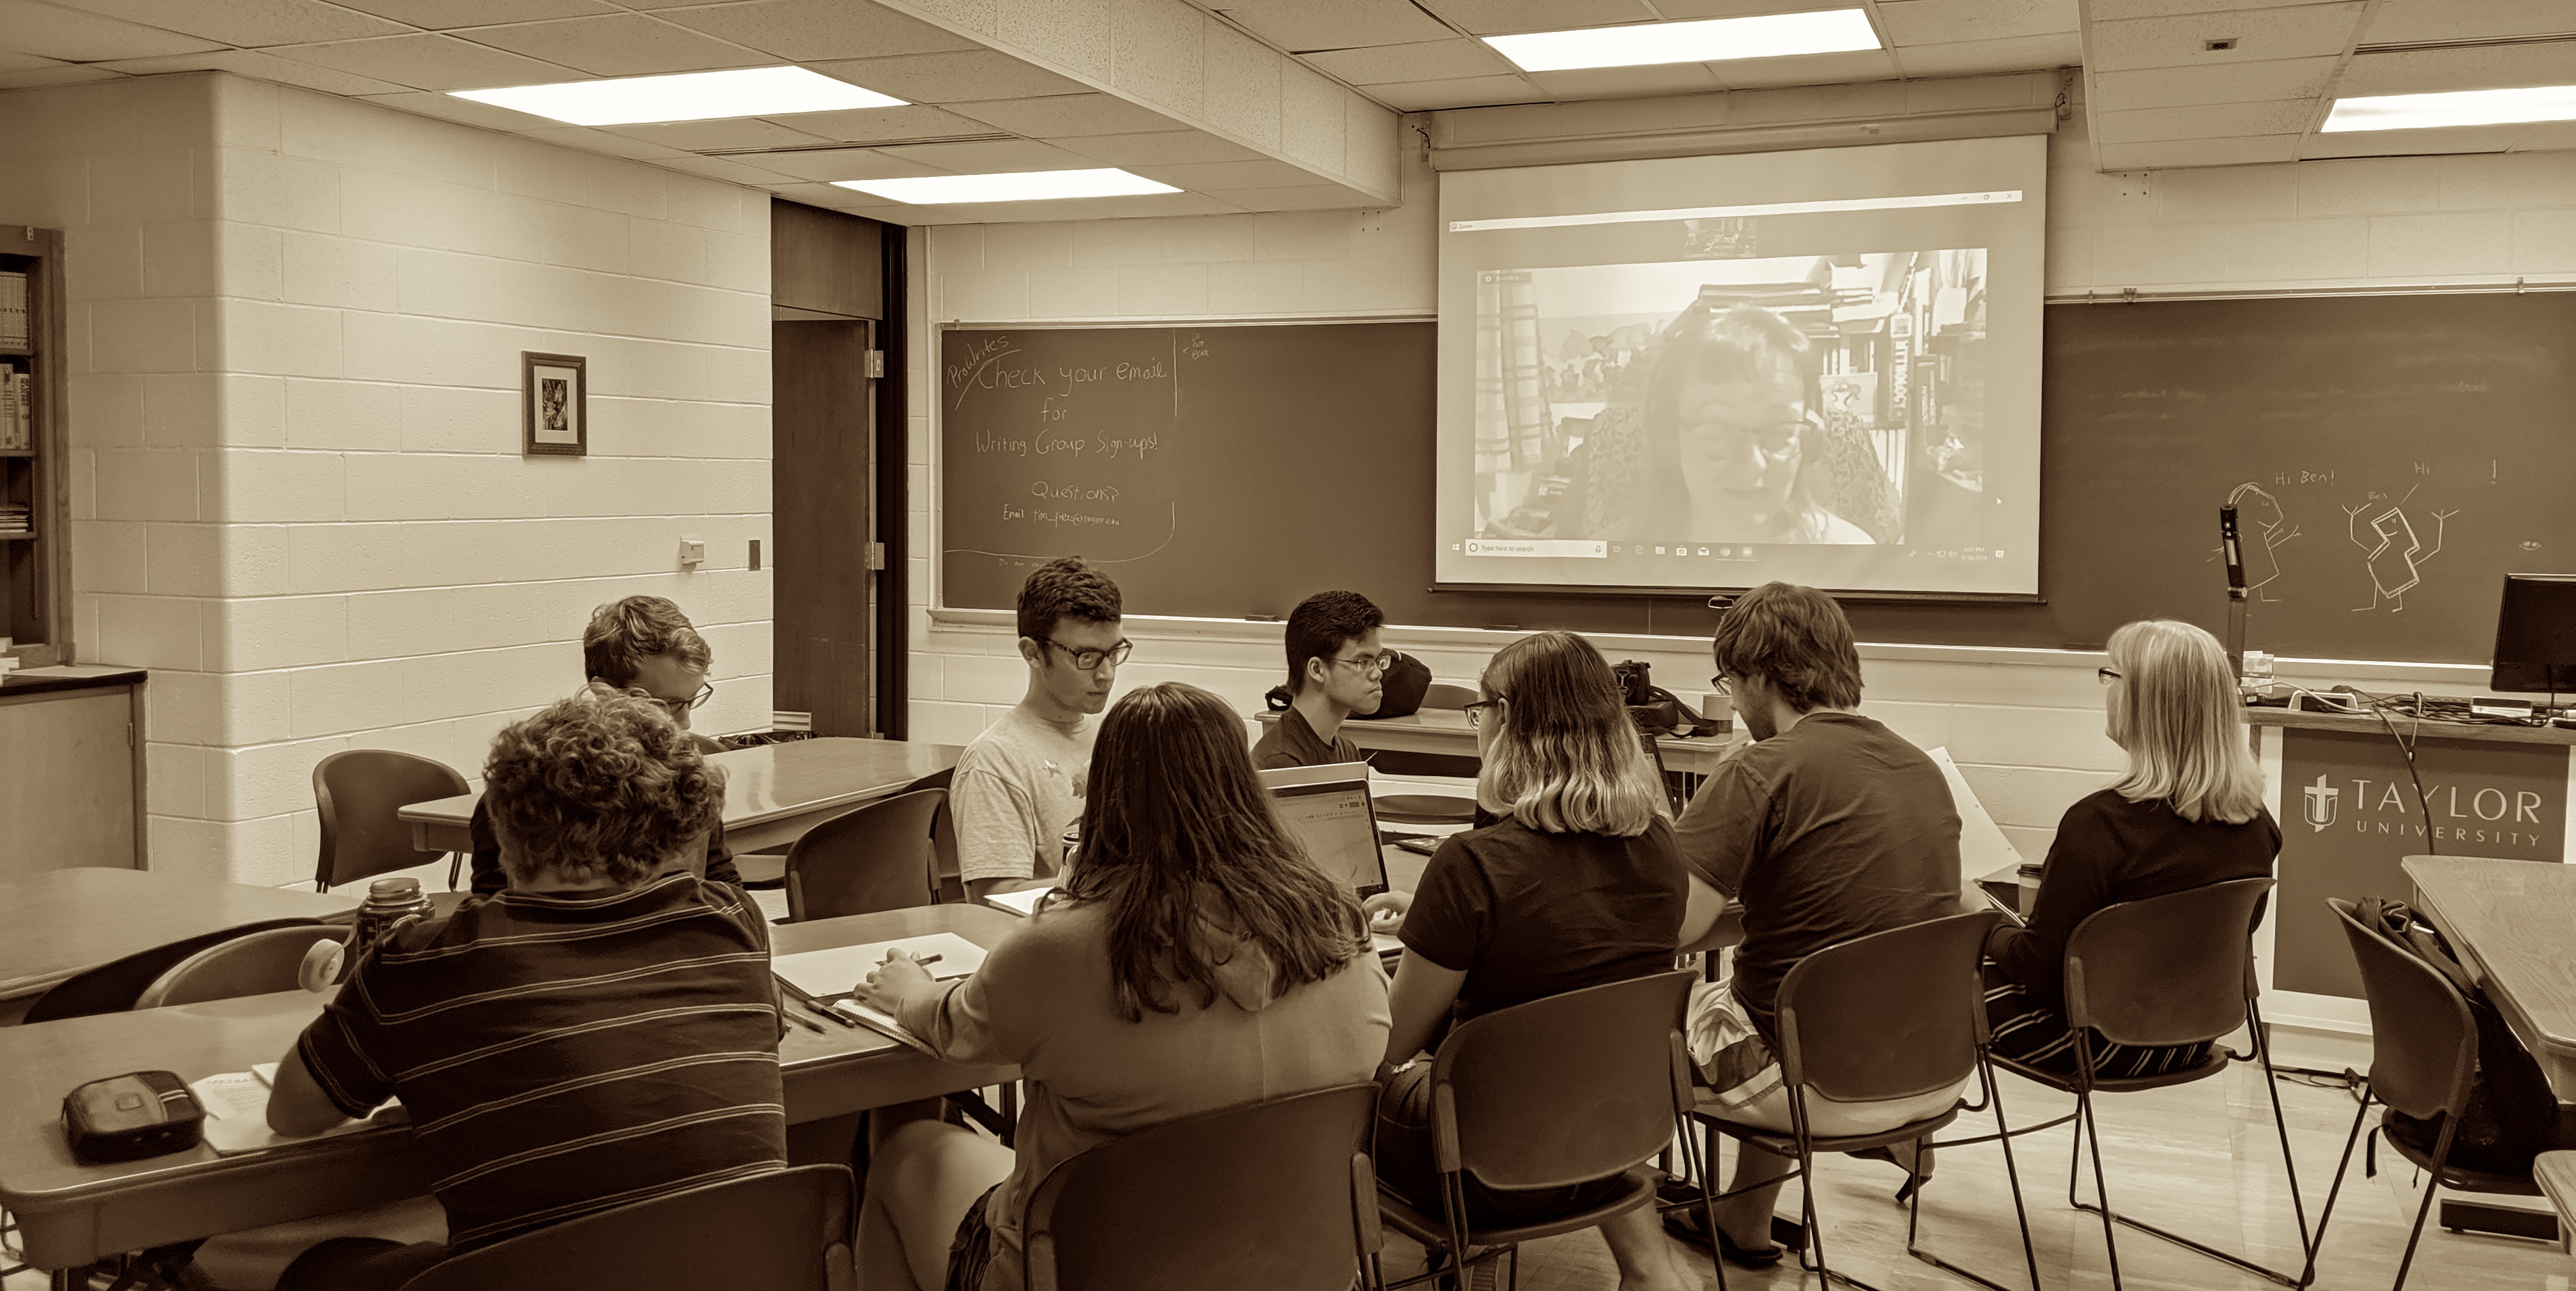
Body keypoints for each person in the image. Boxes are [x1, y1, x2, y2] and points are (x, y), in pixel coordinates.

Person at [851, 682, 1390, 1291]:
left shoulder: (1063, 948)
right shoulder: (1342, 926)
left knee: (903, 1153)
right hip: (1297, 1268)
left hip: (1086, 1269)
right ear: (1246, 785)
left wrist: (907, 992)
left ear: (1108, 790)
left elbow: (961, 1029)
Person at [266, 694, 787, 1291]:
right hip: (732, 1270)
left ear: (502, 819)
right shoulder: (733, 922)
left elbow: (291, 1113)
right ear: (679, 828)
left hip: (532, 1272)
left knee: (317, 1269)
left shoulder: (422, 961)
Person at [1361, 630, 1696, 1291]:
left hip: (1485, 1168)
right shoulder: (1660, 842)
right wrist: (1436, 916)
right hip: (1615, 1135)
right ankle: (1650, 1268)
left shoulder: (1474, 864)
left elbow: (1387, 1044)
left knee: (1326, 1085)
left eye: (1479, 706)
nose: (1475, 721)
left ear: (1508, 718)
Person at [1669, 581, 1963, 1264]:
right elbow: (1831, 910)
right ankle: (1744, 1219)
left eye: (1730, 681)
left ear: (1760, 675)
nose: (1735, 701)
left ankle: (1591, 1218)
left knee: (1627, 1016)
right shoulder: (1918, 765)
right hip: (1930, 1066)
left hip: (1809, 1079)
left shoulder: (1759, 768)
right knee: (1770, 994)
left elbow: (1675, 927)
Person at [1983, 619, 2280, 1078]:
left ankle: (1897, 1125)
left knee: (1938, 963)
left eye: (2112, 675)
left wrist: (1982, 921)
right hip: (2194, 1035)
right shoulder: (2258, 824)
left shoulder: (2098, 825)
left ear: (2145, 700)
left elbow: (2040, 975)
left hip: (2096, 1042)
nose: (2106, 688)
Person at [467, 595, 736, 896]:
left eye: (692, 699)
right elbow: (494, 904)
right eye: (668, 704)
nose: (685, 723)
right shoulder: (528, 788)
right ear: (605, 693)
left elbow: (720, 881)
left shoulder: (686, 781)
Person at [1572, 303, 1887, 546]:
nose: (1753, 466)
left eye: (1780, 431)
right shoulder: (1609, 559)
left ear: (1809, 441)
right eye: (1717, 430)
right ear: (1669, 437)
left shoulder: (1851, 555)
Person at [952, 557, 1127, 899]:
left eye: (1115, 652)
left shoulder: (1115, 735)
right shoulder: (995, 761)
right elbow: (994, 898)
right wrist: (1118, 886)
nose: (1106, 673)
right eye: (1087, 657)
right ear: (1033, 653)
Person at [1252, 590, 1386, 770]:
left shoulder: (1348, 752)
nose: (1378, 673)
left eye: (1378, 661)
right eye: (1363, 662)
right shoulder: (1277, 764)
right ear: (1317, 670)